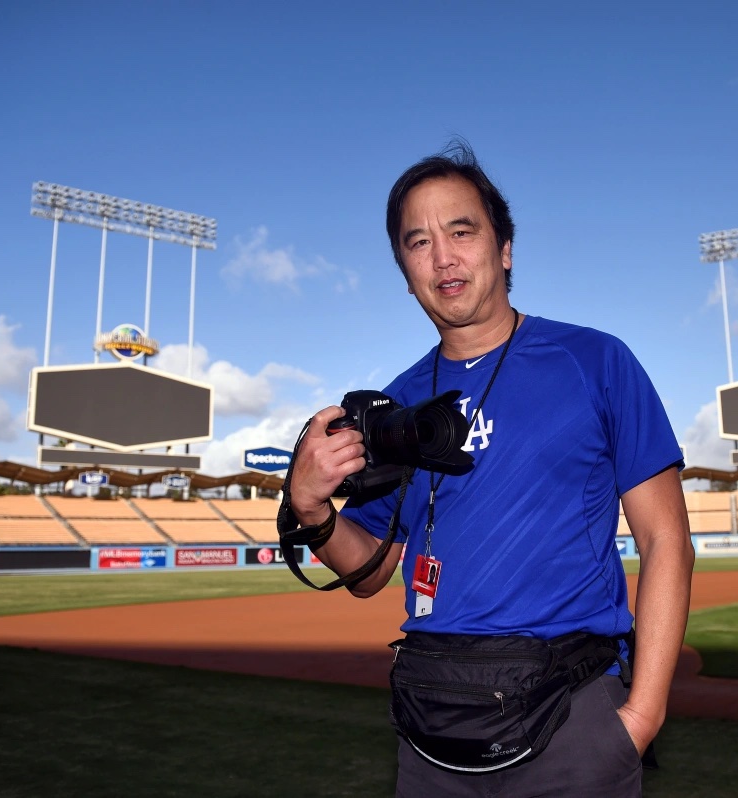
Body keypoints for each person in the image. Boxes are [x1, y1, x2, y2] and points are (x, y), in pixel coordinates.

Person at [286, 142, 694, 797]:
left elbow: (665, 539)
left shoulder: (595, 361)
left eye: (461, 231)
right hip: (430, 734)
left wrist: (641, 716)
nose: (442, 256)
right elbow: (370, 571)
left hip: (571, 725)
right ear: (405, 270)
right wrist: (310, 511)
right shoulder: (397, 405)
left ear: (504, 248)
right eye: (418, 243)